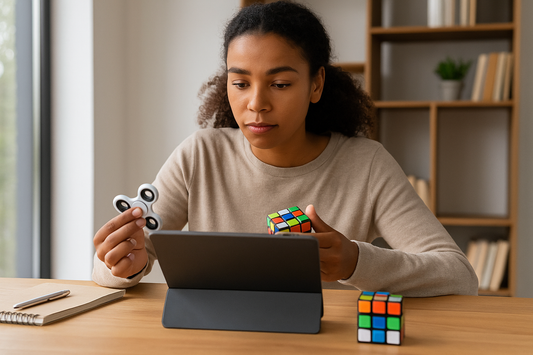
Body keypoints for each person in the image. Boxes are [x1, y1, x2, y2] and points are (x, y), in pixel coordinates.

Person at [92, 1, 478, 297]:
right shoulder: (200, 155)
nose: (256, 103)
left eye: (279, 84)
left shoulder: (367, 164)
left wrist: (355, 261)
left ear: (315, 85)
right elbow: (114, 268)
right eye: (240, 83)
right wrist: (122, 266)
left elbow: (459, 276)